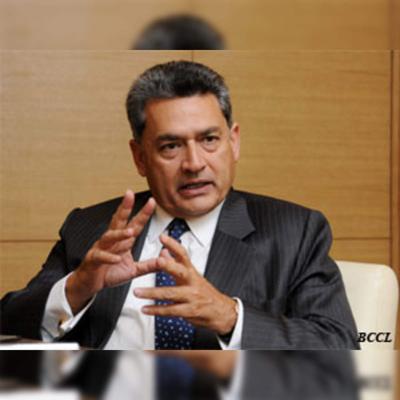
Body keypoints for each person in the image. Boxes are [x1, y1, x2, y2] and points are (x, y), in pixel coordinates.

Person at [0, 60, 359, 349]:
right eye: (171, 146)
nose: (194, 163)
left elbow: (339, 346)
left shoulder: (295, 232)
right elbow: (8, 324)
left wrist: (230, 317)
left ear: (233, 142)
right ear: (140, 157)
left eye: (209, 139)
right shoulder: (91, 228)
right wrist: (78, 287)